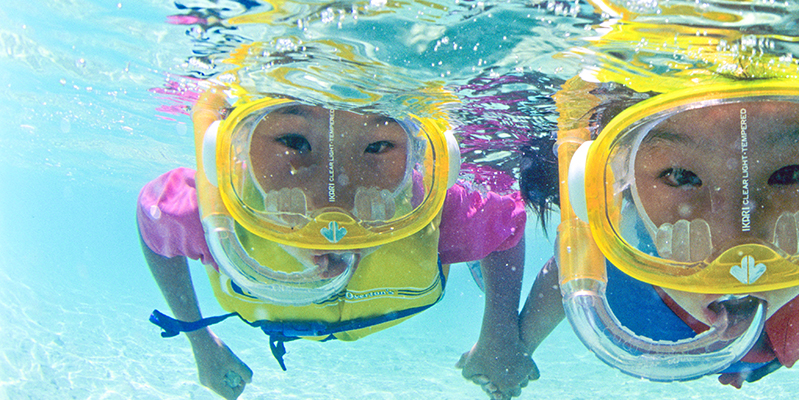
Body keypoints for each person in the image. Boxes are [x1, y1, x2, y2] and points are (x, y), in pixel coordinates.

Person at [512, 3, 799, 399]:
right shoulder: (617, 279)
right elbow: (567, 265)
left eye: (790, 173)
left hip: (772, 348)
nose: (739, 246)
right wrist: (514, 345)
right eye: (681, 176)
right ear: (613, 187)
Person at [138, 82, 536, 399]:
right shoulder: (209, 214)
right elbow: (151, 225)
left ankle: (470, 257)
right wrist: (200, 341)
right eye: (294, 142)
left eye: (378, 146)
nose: (333, 203)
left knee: (477, 229)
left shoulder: (435, 211)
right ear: (230, 148)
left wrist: (498, 330)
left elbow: (508, 226)